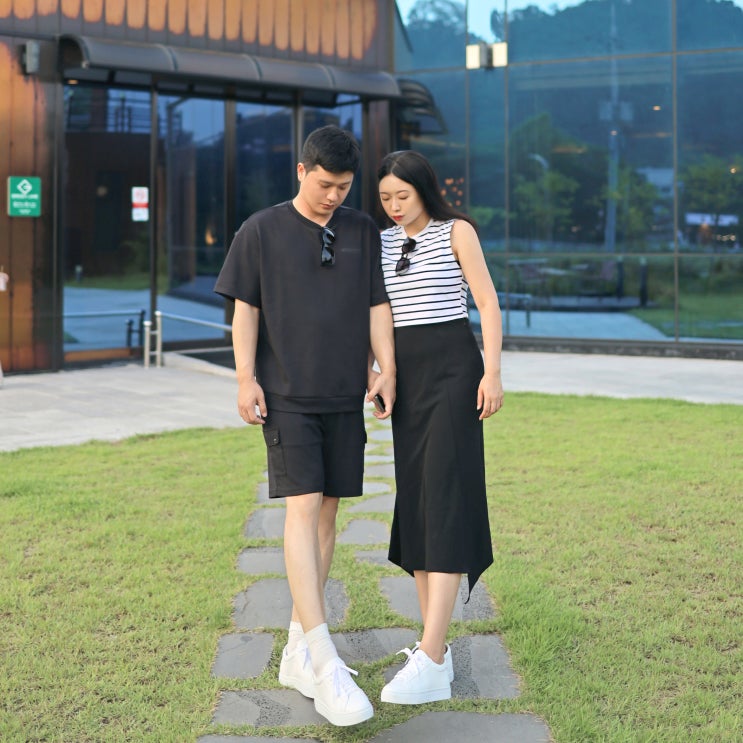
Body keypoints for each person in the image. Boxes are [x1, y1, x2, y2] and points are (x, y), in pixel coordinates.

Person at [214, 125, 396, 726]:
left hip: (343, 395)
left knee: (326, 516)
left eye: (343, 187)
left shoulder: (361, 230)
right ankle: (323, 657)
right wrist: (245, 378)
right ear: (300, 171)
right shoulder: (260, 230)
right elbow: (246, 311)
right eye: (324, 185)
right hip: (286, 394)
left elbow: (376, 304)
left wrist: (387, 368)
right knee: (303, 506)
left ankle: (297, 646)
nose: (333, 197)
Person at [374, 150, 503, 705]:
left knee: (446, 498)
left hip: (453, 370)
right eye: (385, 198)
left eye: (402, 196)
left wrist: (492, 373)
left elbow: (487, 304)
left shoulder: (457, 232)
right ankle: (436, 651)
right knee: (420, 502)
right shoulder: (381, 243)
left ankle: (429, 655)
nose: (394, 206)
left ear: (424, 190)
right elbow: (376, 314)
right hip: (408, 378)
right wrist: (380, 372)